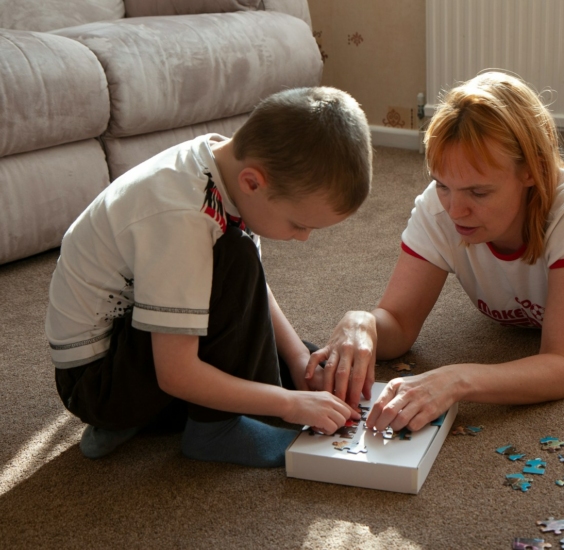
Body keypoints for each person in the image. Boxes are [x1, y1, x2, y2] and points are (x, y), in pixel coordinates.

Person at [305, 23, 564, 433]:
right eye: (443, 184)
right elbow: (398, 325)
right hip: (555, 196)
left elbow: (562, 367)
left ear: (532, 171)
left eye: (478, 192)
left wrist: (453, 379)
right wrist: (361, 320)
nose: (455, 209)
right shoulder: (444, 205)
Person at [45, 86, 372, 465]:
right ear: (253, 182)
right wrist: (288, 403)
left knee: (304, 362)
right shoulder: (183, 215)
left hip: (140, 344)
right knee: (237, 259)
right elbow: (177, 374)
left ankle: (157, 420)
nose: (303, 238)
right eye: (299, 224)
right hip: (97, 383)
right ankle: (215, 431)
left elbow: (250, 292)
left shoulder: (226, 166)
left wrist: (298, 359)